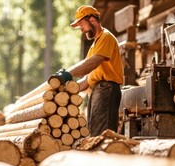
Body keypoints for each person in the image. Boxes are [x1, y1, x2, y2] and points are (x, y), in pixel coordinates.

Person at [49, 5, 123, 137]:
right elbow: (87, 79)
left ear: (92, 20)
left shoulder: (106, 37)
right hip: (97, 90)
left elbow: (91, 63)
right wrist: (66, 90)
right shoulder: (94, 45)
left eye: (81, 25)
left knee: (102, 135)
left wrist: (68, 74)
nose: (81, 30)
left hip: (106, 89)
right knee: (94, 132)